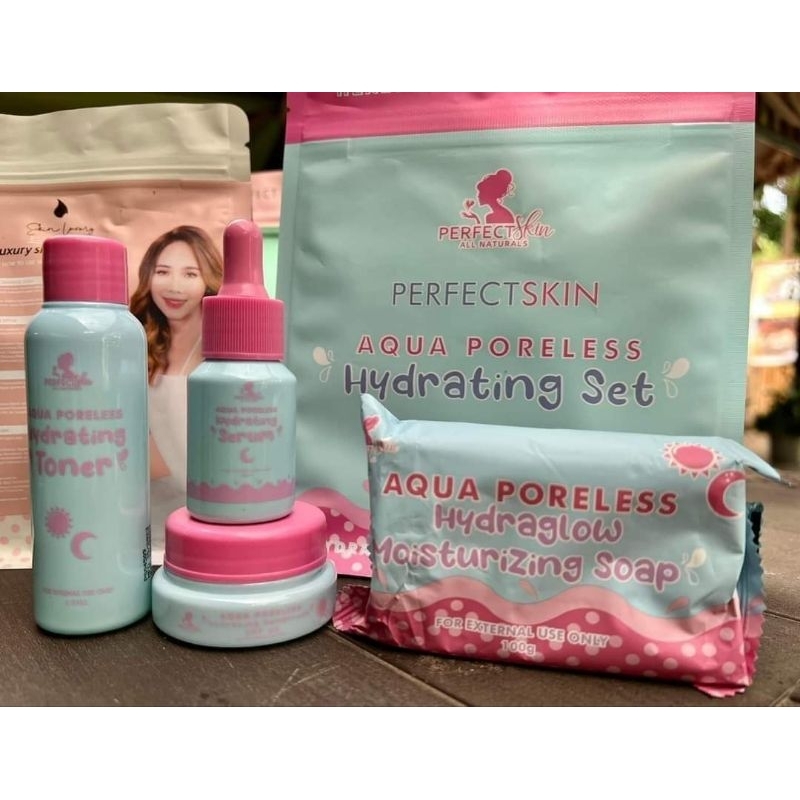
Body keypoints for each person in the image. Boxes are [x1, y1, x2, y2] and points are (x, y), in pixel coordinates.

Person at [129, 226, 223, 555]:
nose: (174, 286)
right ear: (149, 276)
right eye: (163, 272)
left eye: (190, 274)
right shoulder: (134, 338)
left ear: (208, 280)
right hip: (145, 508)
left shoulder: (223, 342)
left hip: (208, 508)